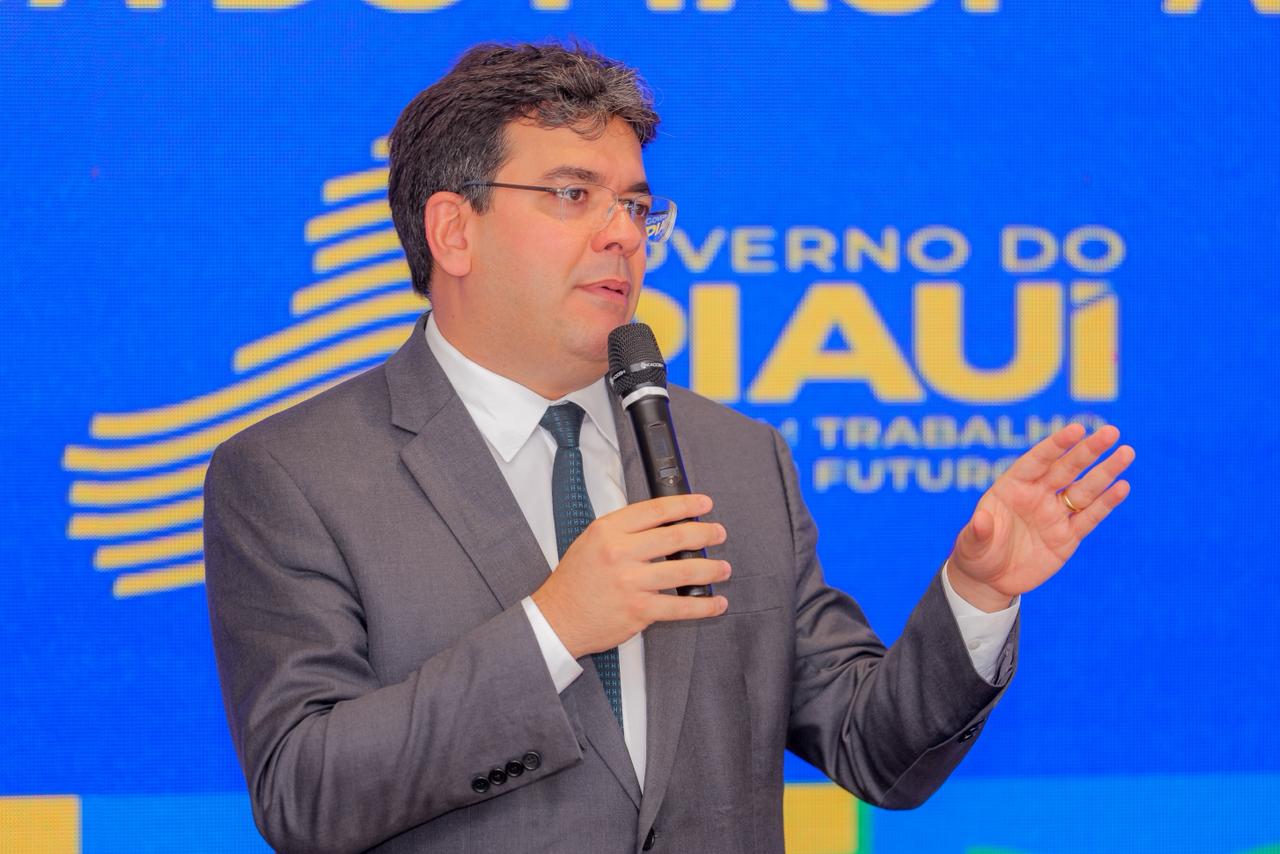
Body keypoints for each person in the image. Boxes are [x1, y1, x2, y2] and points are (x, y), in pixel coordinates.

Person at [203, 41, 1134, 854]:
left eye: (636, 207)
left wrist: (976, 595)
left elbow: (873, 750)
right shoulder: (296, 475)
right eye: (574, 195)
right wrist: (555, 627)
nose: (622, 234)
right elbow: (305, 793)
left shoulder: (736, 459)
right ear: (454, 230)